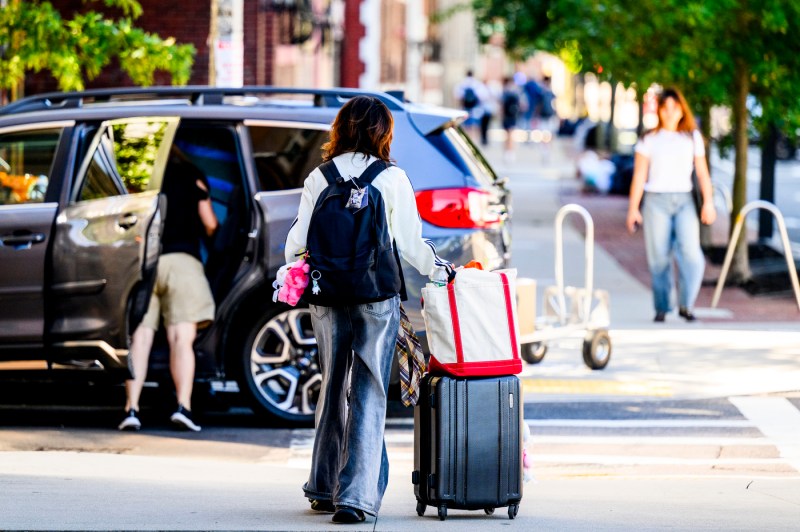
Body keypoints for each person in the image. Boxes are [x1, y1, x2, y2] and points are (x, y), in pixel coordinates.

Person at [284, 96, 448, 524]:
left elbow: (295, 244)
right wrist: (443, 271)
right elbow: (412, 245)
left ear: (340, 128)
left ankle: (322, 485)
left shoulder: (319, 178)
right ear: (383, 132)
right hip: (376, 296)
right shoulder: (391, 178)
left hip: (327, 295)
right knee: (371, 389)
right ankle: (355, 497)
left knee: (332, 387)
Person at [118, 145, 218, 432]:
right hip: (183, 262)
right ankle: (183, 407)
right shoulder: (192, 175)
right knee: (180, 339)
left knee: (140, 338)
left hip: (145, 265)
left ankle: (131, 409)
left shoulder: (138, 181)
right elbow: (210, 223)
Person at [625, 87, 716, 322]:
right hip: (656, 201)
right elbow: (639, 176)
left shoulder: (691, 137)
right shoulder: (649, 139)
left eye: (674, 108)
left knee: (691, 254)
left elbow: (703, 174)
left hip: (684, 200)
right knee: (659, 257)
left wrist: (708, 202)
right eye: (665, 108)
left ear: (681, 110)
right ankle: (662, 307)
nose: (669, 113)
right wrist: (633, 208)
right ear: (659, 111)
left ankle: (687, 304)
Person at [453, 70, 488, 141]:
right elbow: (483, 96)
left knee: (466, 126)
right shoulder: (477, 84)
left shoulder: (462, 84)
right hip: (475, 108)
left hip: (465, 108)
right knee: (475, 126)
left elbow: (457, 96)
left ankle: (467, 140)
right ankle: (474, 140)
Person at [500, 76, 522, 162]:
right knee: (510, 133)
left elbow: (501, 105)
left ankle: (508, 151)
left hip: (507, 115)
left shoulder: (505, 92)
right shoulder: (516, 92)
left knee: (507, 134)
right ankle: (510, 151)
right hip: (512, 115)